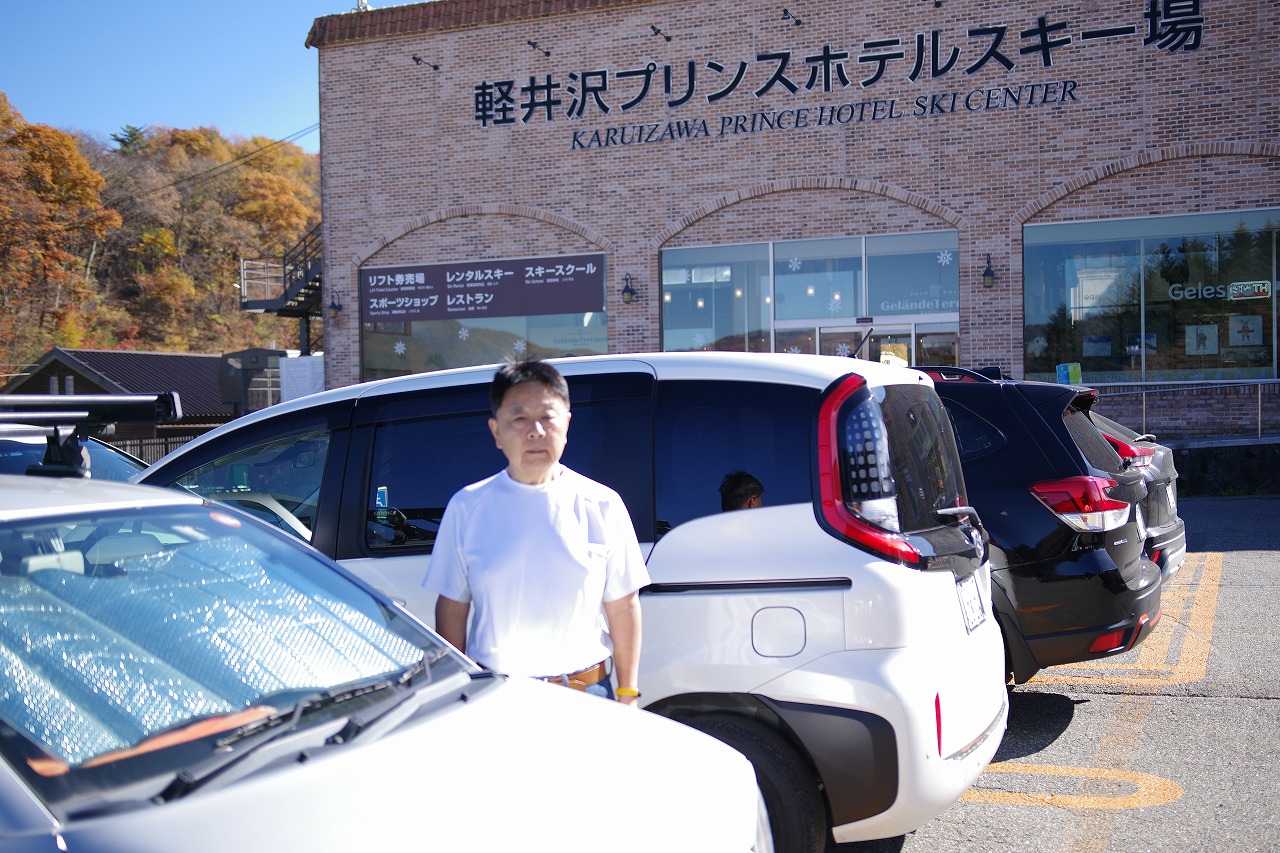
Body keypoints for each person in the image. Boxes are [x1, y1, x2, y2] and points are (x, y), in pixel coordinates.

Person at [422, 359, 649, 705]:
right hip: (498, 697)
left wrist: (628, 692)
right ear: (496, 431)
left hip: (587, 694)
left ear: (567, 424)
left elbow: (622, 606)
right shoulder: (467, 507)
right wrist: (457, 694)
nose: (536, 431)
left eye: (547, 416)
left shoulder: (602, 504)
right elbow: (452, 609)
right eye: (519, 417)